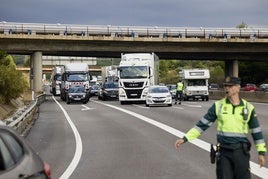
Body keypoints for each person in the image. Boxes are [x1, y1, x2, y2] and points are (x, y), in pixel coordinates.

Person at [174, 76, 266, 179]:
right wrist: (185, 138)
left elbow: (256, 131)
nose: (227, 88)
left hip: (241, 152)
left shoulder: (248, 107)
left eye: (230, 86)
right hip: (224, 152)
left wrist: (261, 152)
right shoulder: (218, 106)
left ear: (238, 88)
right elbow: (202, 125)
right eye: (226, 86)